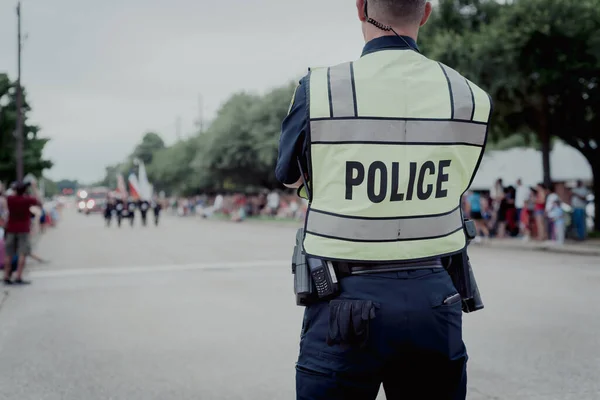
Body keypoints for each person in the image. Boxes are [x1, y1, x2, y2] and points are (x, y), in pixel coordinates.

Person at [275, 1, 493, 398]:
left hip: (344, 296)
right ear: (426, 12)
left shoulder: (319, 88)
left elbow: (290, 178)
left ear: (360, 7)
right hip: (435, 294)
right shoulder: (470, 96)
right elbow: (458, 180)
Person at [3, 181, 41, 285]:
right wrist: (33, 187)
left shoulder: (10, 199)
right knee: (22, 254)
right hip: (23, 230)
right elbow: (38, 201)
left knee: (8, 254)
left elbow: (6, 194)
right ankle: (18, 276)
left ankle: (6, 276)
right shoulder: (27, 200)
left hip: (11, 229)